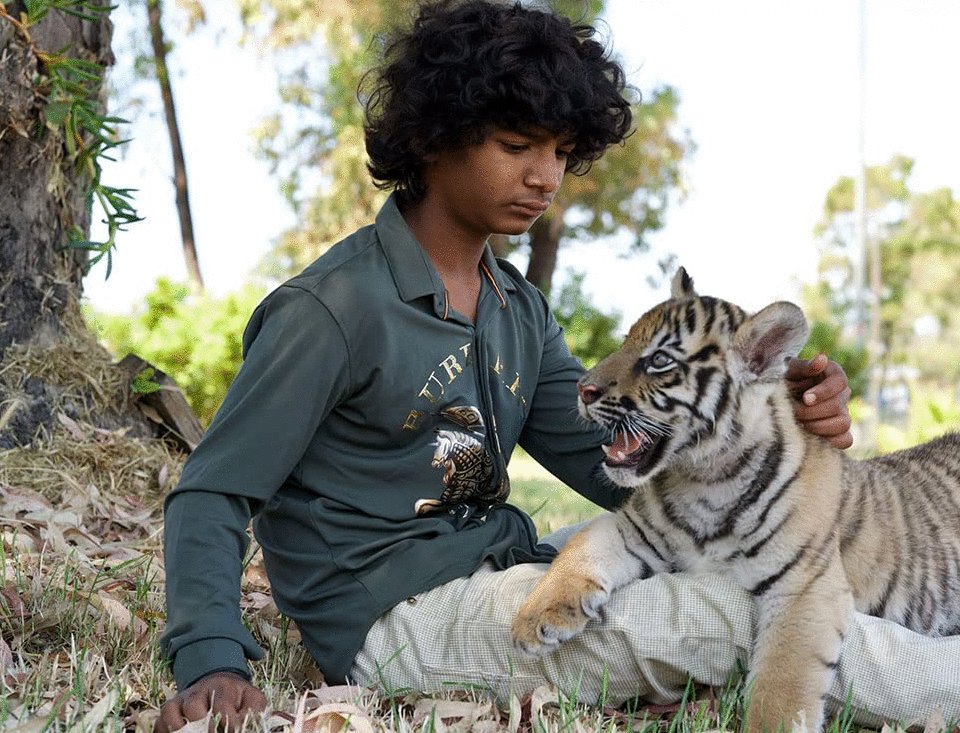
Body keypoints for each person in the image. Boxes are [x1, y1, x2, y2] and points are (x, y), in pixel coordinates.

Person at [156, 2, 958, 731]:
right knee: (741, 610)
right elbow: (214, 489)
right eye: (517, 146)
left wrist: (763, 419)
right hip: (393, 620)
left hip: (509, 561)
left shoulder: (517, 308)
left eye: (561, 152)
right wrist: (211, 658)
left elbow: (618, 461)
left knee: (756, 565)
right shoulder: (333, 308)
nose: (546, 177)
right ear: (435, 137)